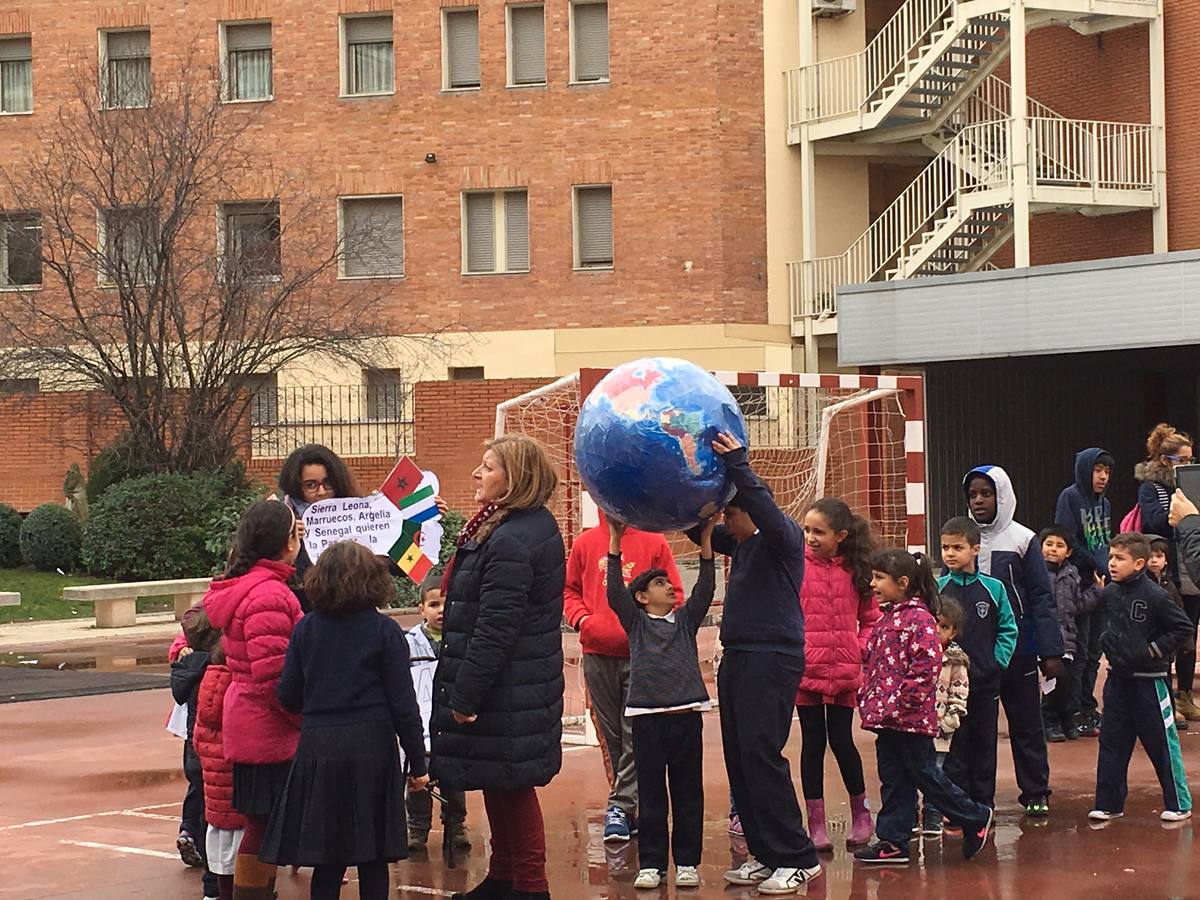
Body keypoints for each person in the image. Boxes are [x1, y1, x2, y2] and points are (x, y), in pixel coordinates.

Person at [432, 435, 565, 900]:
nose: (476, 473)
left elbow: (495, 627)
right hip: (516, 682)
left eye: (488, 467)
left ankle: (530, 885)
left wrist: (465, 694)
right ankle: (505, 876)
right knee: (497, 777)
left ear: (516, 479)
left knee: (513, 784)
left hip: (508, 686)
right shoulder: (511, 527)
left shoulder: (512, 539)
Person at [689, 432, 821, 895]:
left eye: (732, 511)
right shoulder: (741, 545)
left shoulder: (782, 539)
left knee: (763, 755)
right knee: (740, 757)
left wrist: (738, 466)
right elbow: (695, 525)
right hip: (739, 657)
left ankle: (799, 857)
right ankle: (766, 854)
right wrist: (689, 479)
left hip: (773, 657)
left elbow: (762, 505)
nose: (726, 518)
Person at [260, 541, 429, 899]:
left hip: (320, 743)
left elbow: (288, 694)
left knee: (327, 856)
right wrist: (418, 762)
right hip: (373, 744)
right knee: (374, 855)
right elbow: (404, 704)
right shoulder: (385, 632)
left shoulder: (306, 630)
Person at [853, 550, 994, 865]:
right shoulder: (889, 616)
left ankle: (973, 816)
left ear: (902, 583)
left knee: (925, 773)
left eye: (879, 578)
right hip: (887, 718)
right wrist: (868, 696)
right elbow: (875, 662)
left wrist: (906, 702)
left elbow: (926, 664)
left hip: (909, 718)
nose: (872, 584)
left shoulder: (920, 619)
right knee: (893, 777)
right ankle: (894, 840)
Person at [605, 516, 715, 891]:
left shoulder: (685, 621)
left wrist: (705, 545)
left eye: (668, 581)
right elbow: (613, 594)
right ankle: (651, 863)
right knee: (651, 795)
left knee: (688, 793)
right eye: (659, 583)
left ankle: (687, 862)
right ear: (641, 597)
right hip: (648, 721)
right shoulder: (635, 623)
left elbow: (705, 589)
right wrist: (615, 542)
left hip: (686, 719)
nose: (669, 586)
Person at [203, 500, 304, 900]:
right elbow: (274, 676)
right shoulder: (267, 594)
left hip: (252, 724)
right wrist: (301, 717)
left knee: (259, 826)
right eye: (295, 532)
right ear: (284, 542)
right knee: (261, 827)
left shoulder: (252, 587)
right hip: (267, 730)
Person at [563, 513, 682, 843]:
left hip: (641, 656)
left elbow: (677, 593)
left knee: (635, 736)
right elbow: (569, 591)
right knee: (612, 738)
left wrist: (653, 629)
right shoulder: (585, 543)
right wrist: (583, 620)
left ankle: (618, 806)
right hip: (596, 655)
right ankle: (633, 807)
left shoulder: (654, 540)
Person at [964, 465, 1063, 817]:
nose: (978, 500)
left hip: (1019, 649)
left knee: (1025, 723)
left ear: (1002, 496)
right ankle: (977, 798)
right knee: (976, 728)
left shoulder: (1024, 539)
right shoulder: (962, 539)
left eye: (986, 493)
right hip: (976, 653)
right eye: (973, 494)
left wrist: (1051, 650)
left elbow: (1040, 596)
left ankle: (1035, 789)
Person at [794, 498, 880, 851]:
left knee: (843, 741)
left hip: (845, 671)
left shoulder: (857, 570)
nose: (811, 538)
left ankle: (861, 813)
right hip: (807, 670)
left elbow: (872, 618)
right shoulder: (796, 566)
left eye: (819, 532)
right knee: (812, 743)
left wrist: (859, 649)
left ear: (841, 536)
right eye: (807, 530)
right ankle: (816, 822)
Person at [1089, 533, 1193, 823]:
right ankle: (1109, 803)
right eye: (1110, 557)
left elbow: (1182, 628)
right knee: (1112, 742)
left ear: (1139, 563)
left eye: (1119, 558)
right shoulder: (1108, 593)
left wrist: (1153, 650)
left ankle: (1179, 803)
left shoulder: (1155, 595)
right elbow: (1104, 625)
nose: (1112, 563)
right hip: (1118, 679)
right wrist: (1106, 643)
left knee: (1161, 742)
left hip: (1150, 681)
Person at [935, 516, 1016, 822]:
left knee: (984, 747)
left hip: (984, 684)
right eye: (945, 548)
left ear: (975, 550)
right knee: (953, 745)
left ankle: (983, 806)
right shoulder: (938, 588)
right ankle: (957, 809)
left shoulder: (993, 589)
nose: (950, 554)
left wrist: (996, 663)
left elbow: (1008, 629)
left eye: (957, 547)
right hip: (948, 687)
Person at [1136, 424, 1200, 723]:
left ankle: (1185, 696)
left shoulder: (1194, 486)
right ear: (1165, 461)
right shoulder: (1151, 487)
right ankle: (1165, 698)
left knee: (1189, 634)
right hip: (1166, 571)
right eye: (1183, 460)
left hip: (1192, 567)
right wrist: (1180, 515)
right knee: (1167, 635)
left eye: (1191, 460)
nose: (1188, 465)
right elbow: (1153, 523)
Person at [405, 573, 469, 853]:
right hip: (421, 717)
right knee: (419, 775)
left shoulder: (462, 640)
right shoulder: (409, 642)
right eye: (433, 604)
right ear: (421, 609)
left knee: (454, 776)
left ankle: (455, 824)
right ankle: (418, 827)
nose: (441, 610)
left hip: (451, 719)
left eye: (446, 603)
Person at [1055, 447, 1114, 734]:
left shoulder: (1104, 503)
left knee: (1094, 652)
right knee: (1077, 652)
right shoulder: (1070, 497)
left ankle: (1088, 705)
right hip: (1078, 585)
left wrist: (1109, 567)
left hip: (1101, 583)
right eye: (1097, 470)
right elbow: (1069, 540)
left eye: (1107, 472)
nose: (1102, 477)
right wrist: (1096, 563)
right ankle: (1071, 709)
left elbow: (1104, 541)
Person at [170, 608, 221, 900]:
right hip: (216, 750)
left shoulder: (187, 669)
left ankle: (208, 876)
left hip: (194, 747)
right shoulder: (214, 670)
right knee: (223, 815)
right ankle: (217, 880)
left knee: (202, 805)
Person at [278, 444, 361, 613]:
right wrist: (285, 538)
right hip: (303, 616)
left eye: (327, 483)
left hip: (353, 615)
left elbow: (396, 565)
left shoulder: (359, 514)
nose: (322, 492)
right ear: (296, 487)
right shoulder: (280, 518)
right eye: (311, 485)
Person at [194, 628, 246, 900]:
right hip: (237, 785)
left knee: (220, 852)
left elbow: (197, 741)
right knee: (244, 852)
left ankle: (217, 893)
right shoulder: (238, 689)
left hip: (214, 788)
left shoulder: (207, 686)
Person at [921, 596, 970, 837]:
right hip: (917, 726)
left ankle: (932, 814)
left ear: (953, 632)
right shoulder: (919, 653)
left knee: (935, 772)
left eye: (944, 627)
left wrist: (952, 718)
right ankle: (909, 814)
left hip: (941, 730)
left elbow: (959, 692)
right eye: (934, 624)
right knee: (913, 769)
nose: (938, 631)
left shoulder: (955, 661)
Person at [1038, 526, 1084, 742]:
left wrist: (1098, 592)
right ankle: (1048, 721)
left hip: (1068, 638)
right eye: (1049, 544)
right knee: (1053, 680)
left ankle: (1067, 719)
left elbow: (1077, 605)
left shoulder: (1071, 573)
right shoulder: (1036, 572)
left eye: (1059, 545)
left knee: (1069, 682)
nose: (1053, 549)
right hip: (1046, 638)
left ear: (1069, 552)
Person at [1148, 536, 1189, 731]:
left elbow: (1180, 617)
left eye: (1159, 556)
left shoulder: (1170, 586)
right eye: (1150, 556)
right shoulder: (1140, 587)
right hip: (1148, 647)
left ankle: (1169, 713)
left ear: (1166, 560)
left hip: (1165, 647)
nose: (1154, 560)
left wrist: (1182, 645)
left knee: (1165, 679)